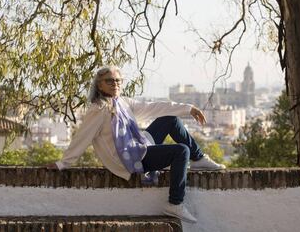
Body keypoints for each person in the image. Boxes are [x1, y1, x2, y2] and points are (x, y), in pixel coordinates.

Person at [47, 66, 225, 223]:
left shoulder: (123, 103)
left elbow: (153, 107)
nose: (115, 84)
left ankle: (198, 158)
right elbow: (83, 137)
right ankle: (175, 203)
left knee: (170, 119)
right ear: (99, 85)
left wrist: (188, 108)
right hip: (128, 158)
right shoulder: (99, 109)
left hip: (138, 145)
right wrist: (63, 163)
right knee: (180, 151)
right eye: (109, 81)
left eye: (118, 80)